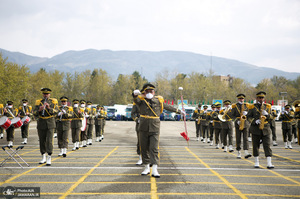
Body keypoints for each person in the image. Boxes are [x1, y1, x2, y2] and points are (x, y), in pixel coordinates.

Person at [133, 83, 184, 178]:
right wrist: (135, 95)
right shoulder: (141, 100)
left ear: (154, 92)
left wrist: (179, 111)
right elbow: (136, 100)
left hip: (154, 127)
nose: (149, 93)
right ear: (144, 92)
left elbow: (167, 107)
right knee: (143, 147)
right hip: (143, 127)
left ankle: (155, 169)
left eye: (151, 91)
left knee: (154, 148)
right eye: (147, 91)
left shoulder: (158, 100)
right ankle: (146, 167)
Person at [247, 91, 274, 169]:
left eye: (262, 98)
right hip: (256, 129)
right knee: (255, 146)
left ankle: (269, 163)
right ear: (257, 98)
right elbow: (248, 117)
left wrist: (267, 115)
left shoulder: (268, 106)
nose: (261, 99)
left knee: (267, 145)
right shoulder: (252, 107)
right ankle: (256, 162)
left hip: (266, 129)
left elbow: (273, 116)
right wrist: (255, 121)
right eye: (259, 98)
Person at [33, 88, 58, 166]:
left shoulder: (53, 102)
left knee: (49, 140)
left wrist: (48, 108)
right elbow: (34, 113)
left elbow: (56, 111)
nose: (45, 95)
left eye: (47, 94)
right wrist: (39, 110)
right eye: (44, 94)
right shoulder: (39, 102)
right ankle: (43, 156)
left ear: (49, 94)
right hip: (41, 123)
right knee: (42, 140)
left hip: (50, 122)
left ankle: (49, 156)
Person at [228, 94, 251, 158]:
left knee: (246, 138)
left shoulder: (247, 105)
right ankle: (239, 152)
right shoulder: (235, 106)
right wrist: (236, 120)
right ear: (238, 99)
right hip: (238, 123)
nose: (241, 100)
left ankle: (246, 152)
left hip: (245, 123)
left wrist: (247, 113)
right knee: (238, 138)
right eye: (240, 99)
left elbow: (250, 114)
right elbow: (232, 115)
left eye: (242, 99)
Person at [131, 101, 142, 165]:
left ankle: (148, 158)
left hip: (149, 124)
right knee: (140, 142)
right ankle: (140, 158)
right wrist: (137, 119)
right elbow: (133, 113)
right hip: (140, 125)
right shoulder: (136, 103)